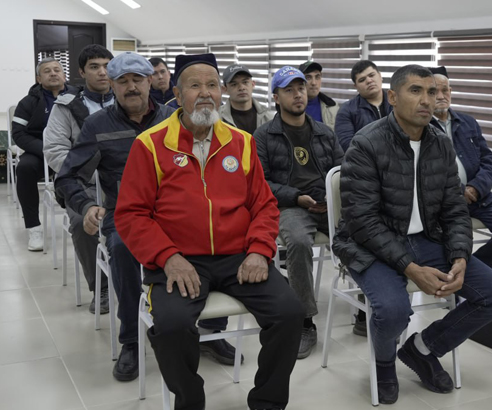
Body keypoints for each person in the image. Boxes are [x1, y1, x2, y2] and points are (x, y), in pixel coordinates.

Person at [115, 53, 304, 410]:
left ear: (221, 93)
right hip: (178, 259)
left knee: (290, 313)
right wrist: (168, 257)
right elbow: (132, 215)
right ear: (176, 94)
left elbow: (264, 205)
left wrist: (259, 250)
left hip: (239, 256)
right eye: (195, 86)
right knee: (172, 327)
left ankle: (267, 402)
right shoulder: (150, 144)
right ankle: (190, 402)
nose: (205, 93)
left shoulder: (241, 142)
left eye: (213, 85)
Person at [333, 64, 492, 404]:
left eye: (432, 92)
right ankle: (384, 363)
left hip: (427, 239)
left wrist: (460, 256)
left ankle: (423, 348)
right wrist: (411, 268)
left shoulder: (440, 143)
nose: (427, 100)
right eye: (415, 91)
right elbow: (362, 221)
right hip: (370, 244)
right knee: (393, 309)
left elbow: (455, 210)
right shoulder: (367, 143)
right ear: (392, 97)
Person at [55, 52, 235, 382]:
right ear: (111, 86)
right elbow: (68, 177)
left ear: (150, 81)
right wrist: (87, 206)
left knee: (215, 234)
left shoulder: (176, 117)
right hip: (126, 213)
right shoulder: (98, 126)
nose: (131, 87)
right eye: (122, 81)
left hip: (178, 212)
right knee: (123, 247)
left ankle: (212, 330)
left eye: (137, 79)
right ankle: (132, 340)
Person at [254, 66, 344, 359]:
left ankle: (365, 308)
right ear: (276, 97)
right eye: (289, 90)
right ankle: (304, 321)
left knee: (363, 233)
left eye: (301, 88)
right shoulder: (264, 136)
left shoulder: (324, 132)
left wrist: (332, 196)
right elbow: (261, 181)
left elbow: (342, 171)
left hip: (327, 204)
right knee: (299, 242)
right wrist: (295, 197)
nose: (298, 95)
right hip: (290, 205)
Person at [43, 44, 115, 315]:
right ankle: (101, 287)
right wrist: (92, 171)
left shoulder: (128, 101)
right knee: (83, 222)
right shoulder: (66, 107)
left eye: (107, 66)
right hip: (83, 184)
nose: (102, 72)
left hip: (125, 182)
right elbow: (55, 151)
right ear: (82, 73)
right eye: (94, 67)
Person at [428, 66, 492, 269]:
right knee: (449, 246)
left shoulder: (468, 122)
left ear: (451, 91)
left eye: (445, 90)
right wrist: (459, 191)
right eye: (434, 91)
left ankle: (477, 270)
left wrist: (475, 188)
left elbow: (487, 159)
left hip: (479, 198)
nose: (441, 96)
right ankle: (467, 274)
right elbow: (426, 172)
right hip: (443, 204)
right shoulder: (420, 128)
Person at [12, 57, 78, 251]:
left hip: (73, 150)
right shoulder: (28, 102)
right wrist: (46, 149)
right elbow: (18, 134)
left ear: (64, 75)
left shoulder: (78, 96)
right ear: (39, 79)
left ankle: (83, 219)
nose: (53, 73)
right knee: (24, 168)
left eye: (57, 69)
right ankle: (34, 227)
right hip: (39, 152)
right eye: (47, 71)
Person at [334, 60, 392, 151]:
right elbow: (348, 146)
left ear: (380, 76)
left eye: (371, 75)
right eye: (362, 80)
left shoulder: (397, 103)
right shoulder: (347, 110)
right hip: (365, 159)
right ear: (356, 86)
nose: (369, 81)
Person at [219, 64, 274, 134]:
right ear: (225, 89)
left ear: (253, 84)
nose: (241, 88)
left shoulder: (269, 118)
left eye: (245, 82)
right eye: (234, 84)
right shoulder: (218, 119)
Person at [298, 60, 340, 128]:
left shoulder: (333, 107)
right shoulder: (292, 107)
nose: (314, 83)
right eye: (308, 77)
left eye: (317, 77)